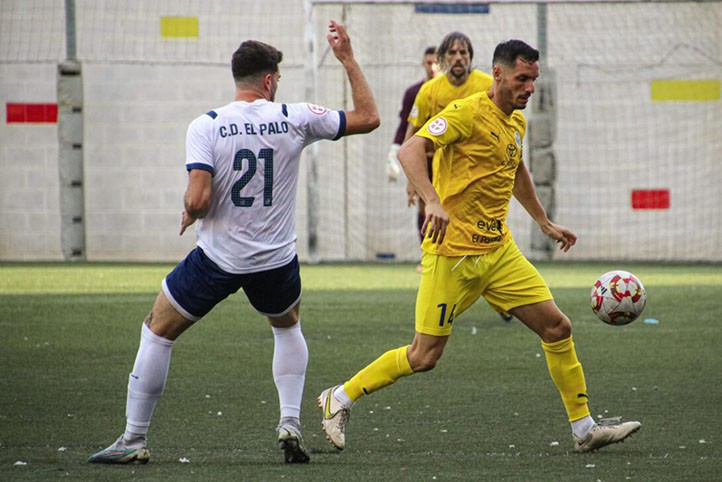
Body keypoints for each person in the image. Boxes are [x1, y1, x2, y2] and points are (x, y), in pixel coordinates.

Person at [317, 39, 640, 454]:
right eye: (522, 79)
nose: (529, 88)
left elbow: (515, 167)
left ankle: (584, 429)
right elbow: (411, 150)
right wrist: (432, 200)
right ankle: (338, 398)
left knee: (557, 327)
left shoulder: (516, 122)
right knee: (424, 356)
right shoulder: (465, 112)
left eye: (534, 80)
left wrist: (543, 221)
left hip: (499, 252)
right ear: (499, 74)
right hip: (452, 256)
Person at [87, 20, 379, 466]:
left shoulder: (206, 125)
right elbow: (368, 118)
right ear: (267, 80)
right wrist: (347, 59)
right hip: (276, 261)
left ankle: (133, 438)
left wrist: (191, 207)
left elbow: (200, 197)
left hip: (218, 259)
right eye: (277, 78)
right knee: (287, 326)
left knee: (157, 330)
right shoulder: (294, 118)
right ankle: (289, 422)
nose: (278, 85)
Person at [403, 32, 493, 270]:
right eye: (452, 53)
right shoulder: (430, 90)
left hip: (476, 165)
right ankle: (431, 256)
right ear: (442, 59)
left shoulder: (486, 85)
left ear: (470, 58)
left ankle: (484, 254)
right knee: (430, 207)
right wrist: (411, 178)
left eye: (463, 53)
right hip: (437, 164)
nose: (458, 58)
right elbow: (412, 131)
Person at [384, 46, 438, 183]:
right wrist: (394, 151)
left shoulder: (449, 91)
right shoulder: (413, 93)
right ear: (423, 63)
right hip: (422, 156)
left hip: (446, 156)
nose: (432, 67)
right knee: (424, 197)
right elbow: (405, 124)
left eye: (436, 63)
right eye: (429, 63)